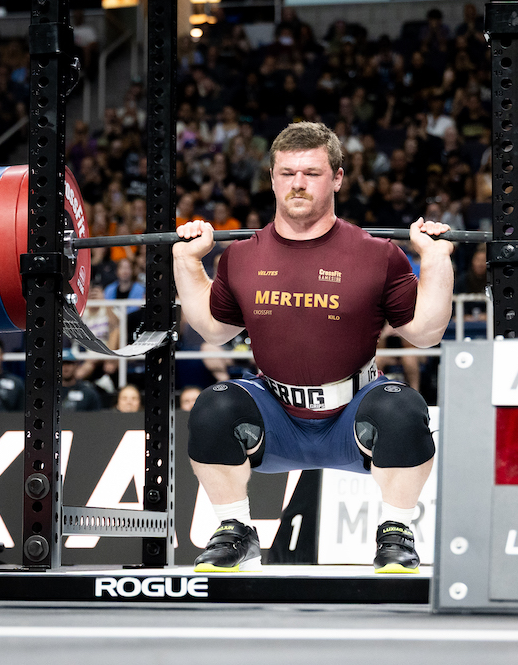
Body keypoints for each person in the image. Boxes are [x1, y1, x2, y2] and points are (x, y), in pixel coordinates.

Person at [172, 121, 454, 573]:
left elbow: (426, 333)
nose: (297, 183)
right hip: (276, 416)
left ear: (337, 177)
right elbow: (214, 330)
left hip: (353, 418)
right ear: (272, 178)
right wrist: (187, 262)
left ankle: (396, 533)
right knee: (213, 406)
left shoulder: (377, 253)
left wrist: (436, 260)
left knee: (404, 407)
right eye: (287, 173)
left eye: (312, 172)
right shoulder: (242, 255)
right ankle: (235, 531)